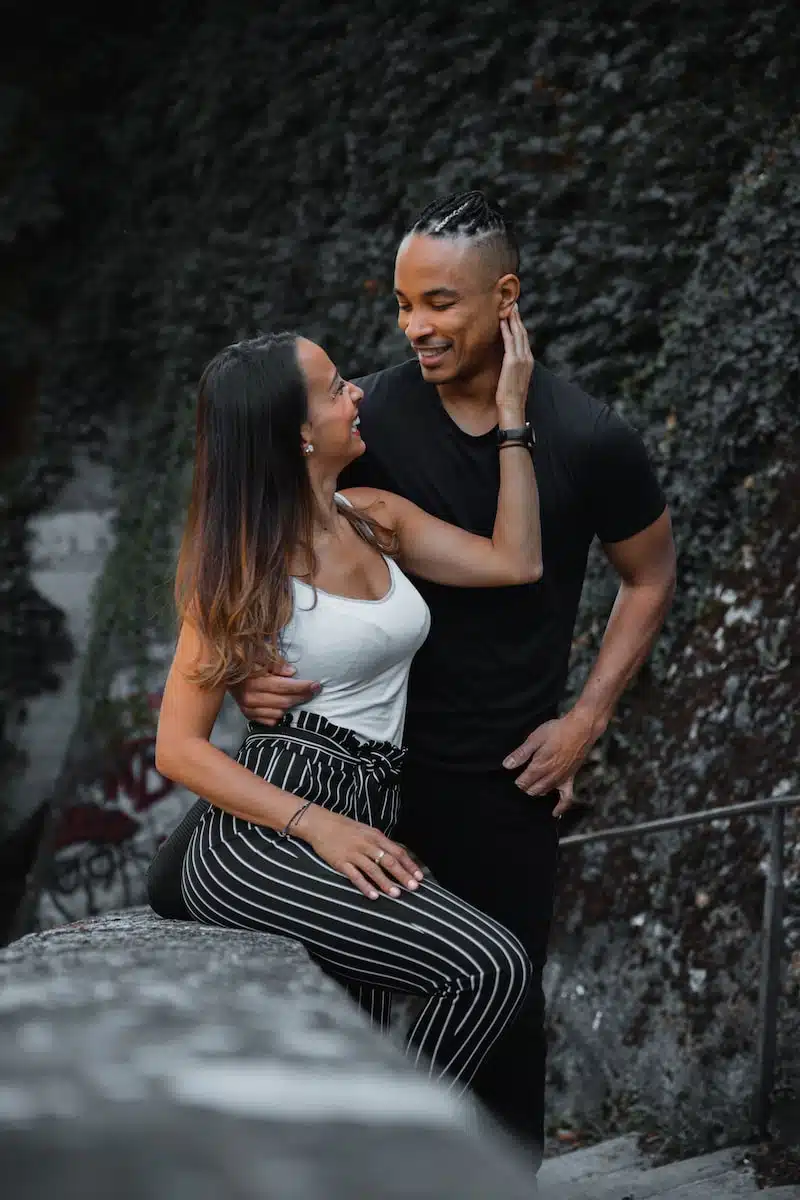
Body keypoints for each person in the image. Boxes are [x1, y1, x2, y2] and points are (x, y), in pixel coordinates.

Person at [233, 192, 677, 1161]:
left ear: (503, 296)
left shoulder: (587, 437)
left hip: (501, 782)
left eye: (437, 302)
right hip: (355, 774)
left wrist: (585, 719)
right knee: (336, 1015)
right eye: (400, 304)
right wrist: (243, 674)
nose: (413, 327)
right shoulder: (370, 419)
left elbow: (647, 577)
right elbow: (281, 563)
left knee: (500, 1026)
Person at [151, 312, 547, 1098]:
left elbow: (517, 561)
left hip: (369, 803)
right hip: (274, 823)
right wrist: (315, 823)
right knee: (488, 966)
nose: (356, 393)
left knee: (354, 1046)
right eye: (335, 389)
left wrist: (512, 420)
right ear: (296, 432)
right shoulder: (241, 564)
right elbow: (179, 749)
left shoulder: (374, 516)